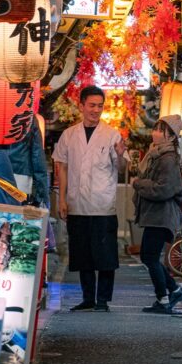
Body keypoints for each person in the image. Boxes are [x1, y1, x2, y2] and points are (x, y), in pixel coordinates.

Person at [52, 85, 127, 312]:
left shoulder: (112, 134)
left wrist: (121, 155)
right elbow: (61, 167)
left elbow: (121, 167)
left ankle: (102, 300)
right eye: (92, 105)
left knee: (105, 255)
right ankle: (87, 298)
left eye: (100, 106)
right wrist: (62, 199)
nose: (96, 110)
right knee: (82, 253)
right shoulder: (69, 135)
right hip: (77, 202)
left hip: (103, 204)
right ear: (81, 105)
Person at [132, 115, 182, 314]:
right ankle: (173, 290)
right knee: (149, 256)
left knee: (150, 257)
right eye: (155, 128)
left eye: (160, 130)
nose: (155, 133)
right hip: (155, 215)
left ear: (171, 136)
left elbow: (164, 189)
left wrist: (138, 184)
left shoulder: (168, 159)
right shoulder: (157, 155)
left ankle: (165, 297)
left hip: (162, 216)